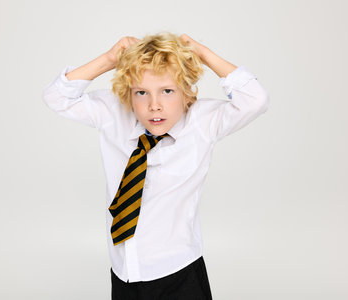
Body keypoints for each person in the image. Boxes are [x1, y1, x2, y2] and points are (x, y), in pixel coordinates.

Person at [42, 32, 270, 299]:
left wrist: (203, 55)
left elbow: (256, 100)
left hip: (179, 273)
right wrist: (108, 59)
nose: (154, 106)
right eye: (142, 92)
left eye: (167, 91)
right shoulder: (114, 113)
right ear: (129, 93)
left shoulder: (203, 122)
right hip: (124, 272)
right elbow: (56, 97)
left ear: (186, 93)